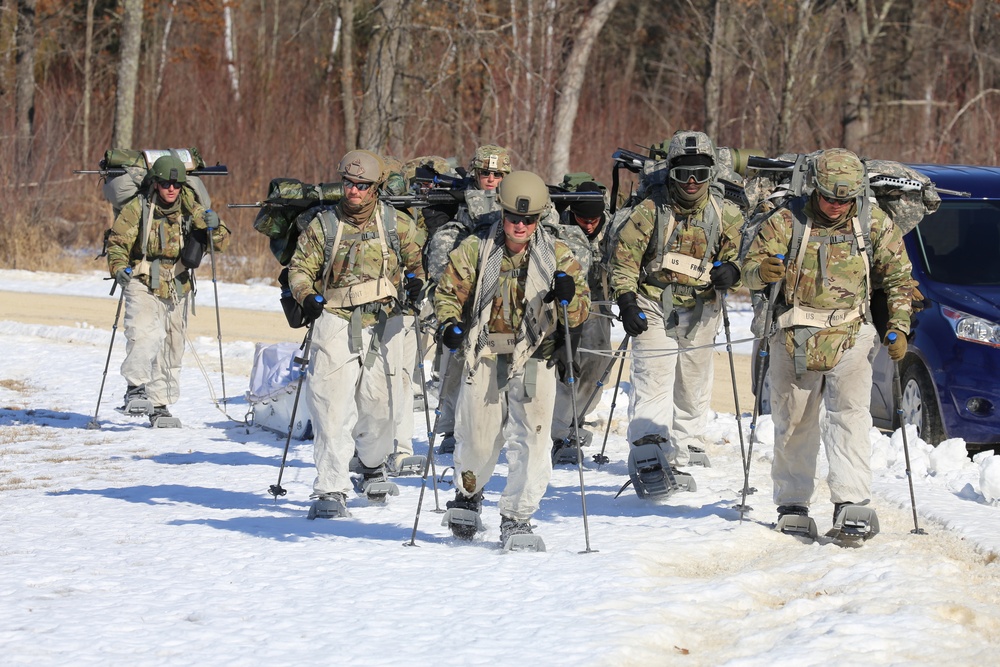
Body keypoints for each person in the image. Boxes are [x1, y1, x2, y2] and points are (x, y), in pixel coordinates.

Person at [741, 147, 913, 531]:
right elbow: (746, 272)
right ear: (814, 188)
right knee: (794, 421)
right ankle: (792, 505)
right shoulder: (786, 221)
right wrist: (761, 271)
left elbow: (899, 279)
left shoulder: (874, 225)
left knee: (850, 417)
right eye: (829, 197)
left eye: (845, 199)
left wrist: (898, 325)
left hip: (852, 333)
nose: (836, 206)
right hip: (794, 334)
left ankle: (850, 502)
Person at [433, 170, 590, 545]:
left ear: (539, 219)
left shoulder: (557, 254)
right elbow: (447, 293)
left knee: (533, 442)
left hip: (536, 356)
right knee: (477, 438)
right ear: (501, 213)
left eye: (529, 219)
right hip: (485, 351)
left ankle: (517, 516)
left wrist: (568, 294)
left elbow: (581, 311)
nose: (520, 226)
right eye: (513, 218)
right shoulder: (476, 248)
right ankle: (468, 495)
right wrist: (450, 324)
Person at [286, 149, 425, 518]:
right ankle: (330, 490)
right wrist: (307, 295)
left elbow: (418, 265)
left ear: (375, 187)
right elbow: (298, 268)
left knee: (381, 406)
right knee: (331, 407)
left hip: (385, 321)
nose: (354, 191)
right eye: (348, 183)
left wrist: (416, 284)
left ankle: (371, 464)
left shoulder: (398, 225)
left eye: (362, 185)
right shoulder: (323, 225)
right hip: (334, 317)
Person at [607, 130, 744, 485]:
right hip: (653, 302)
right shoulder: (650, 211)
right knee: (653, 375)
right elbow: (623, 261)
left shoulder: (725, 214)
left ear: (712, 173)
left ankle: (689, 441)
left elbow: (741, 257)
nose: (692, 182)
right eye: (684, 174)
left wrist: (733, 271)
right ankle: (649, 446)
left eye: (700, 173)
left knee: (694, 379)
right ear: (671, 173)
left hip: (702, 307)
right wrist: (626, 300)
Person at [106, 154, 231, 427]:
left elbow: (220, 243)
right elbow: (117, 242)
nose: (171, 189)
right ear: (155, 184)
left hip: (177, 285)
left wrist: (215, 227)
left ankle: (159, 404)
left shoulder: (191, 208)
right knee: (144, 334)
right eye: (165, 184)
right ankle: (135, 389)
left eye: (176, 185)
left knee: (171, 346)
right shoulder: (138, 208)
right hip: (142, 280)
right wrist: (118, 267)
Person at [425, 144, 512, 454]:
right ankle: (449, 428)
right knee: (452, 365)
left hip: (502, 295)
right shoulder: (459, 200)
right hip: (462, 292)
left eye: (498, 174)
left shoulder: (513, 200)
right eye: (485, 173)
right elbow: (440, 265)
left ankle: (500, 428)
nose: (491, 179)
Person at [550, 181, 612, 461]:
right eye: (582, 220)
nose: (588, 226)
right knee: (568, 367)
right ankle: (558, 433)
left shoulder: (612, 228)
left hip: (599, 306)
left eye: (593, 221)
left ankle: (575, 420)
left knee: (600, 365)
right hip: (565, 307)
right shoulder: (560, 229)